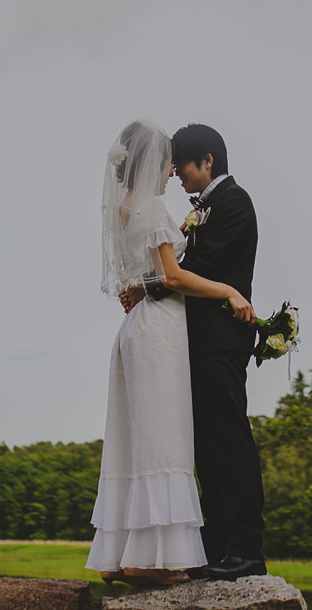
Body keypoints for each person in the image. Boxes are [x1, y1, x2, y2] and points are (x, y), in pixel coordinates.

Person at [86, 119, 255, 588]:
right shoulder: (153, 208)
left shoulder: (124, 207)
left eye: (178, 164)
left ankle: (121, 554)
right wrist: (229, 291)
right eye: (167, 164)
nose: (173, 174)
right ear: (148, 167)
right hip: (158, 334)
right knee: (164, 440)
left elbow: (155, 274)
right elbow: (176, 276)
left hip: (138, 332)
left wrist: (143, 285)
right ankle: (150, 559)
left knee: (134, 439)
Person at [169, 122, 268, 580]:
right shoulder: (209, 205)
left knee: (229, 443)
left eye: (181, 165)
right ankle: (217, 547)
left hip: (221, 342)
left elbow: (203, 267)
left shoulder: (233, 202)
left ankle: (246, 548)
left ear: (207, 161)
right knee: (207, 449)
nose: (175, 174)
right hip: (199, 343)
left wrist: (156, 279)